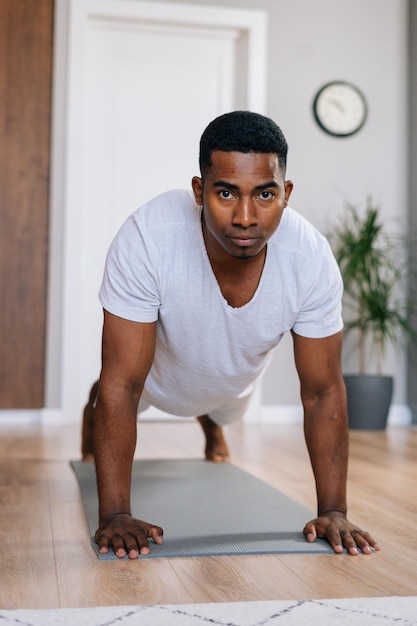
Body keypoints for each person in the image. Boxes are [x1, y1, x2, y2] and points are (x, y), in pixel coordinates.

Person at [84, 110, 380, 560]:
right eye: (226, 193)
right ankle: (97, 413)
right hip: (156, 379)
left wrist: (334, 510)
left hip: (233, 383)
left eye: (265, 194)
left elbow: (322, 391)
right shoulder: (148, 236)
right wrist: (115, 515)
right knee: (108, 391)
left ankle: (211, 426)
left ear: (286, 194)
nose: (245, 217)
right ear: (199, 192)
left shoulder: (310, 257)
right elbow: (123, 384)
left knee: (221, 410)